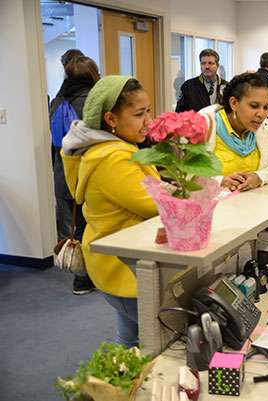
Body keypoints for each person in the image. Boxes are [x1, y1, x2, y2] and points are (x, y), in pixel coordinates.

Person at [61, 76, 161, 348]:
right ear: (111, 119)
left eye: (149, 110)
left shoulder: (104, 148)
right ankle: (131, 390)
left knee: (129, 338)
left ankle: (121, 388)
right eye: (139, 114)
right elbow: (155, 204)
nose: (148, 121)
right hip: (125, 266)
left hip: (114, 262)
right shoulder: (114, 157)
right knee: (151, 342)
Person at [49, 52, 100, 295]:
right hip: (87, 173)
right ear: (93, 74)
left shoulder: (57, 100)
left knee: (70, 228)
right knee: (89, 227)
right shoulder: (94, 101)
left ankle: (79, 276)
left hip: (61, 172)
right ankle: (88, 278)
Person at [200, 72, 268, 191]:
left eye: (266, 107)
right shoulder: (205, 124)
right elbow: (185, 173)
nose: (261, 114)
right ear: (234, 103)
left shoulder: (262, 127)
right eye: (254, 106)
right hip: (213, 206)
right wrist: (219, 181)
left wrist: (258, 177)